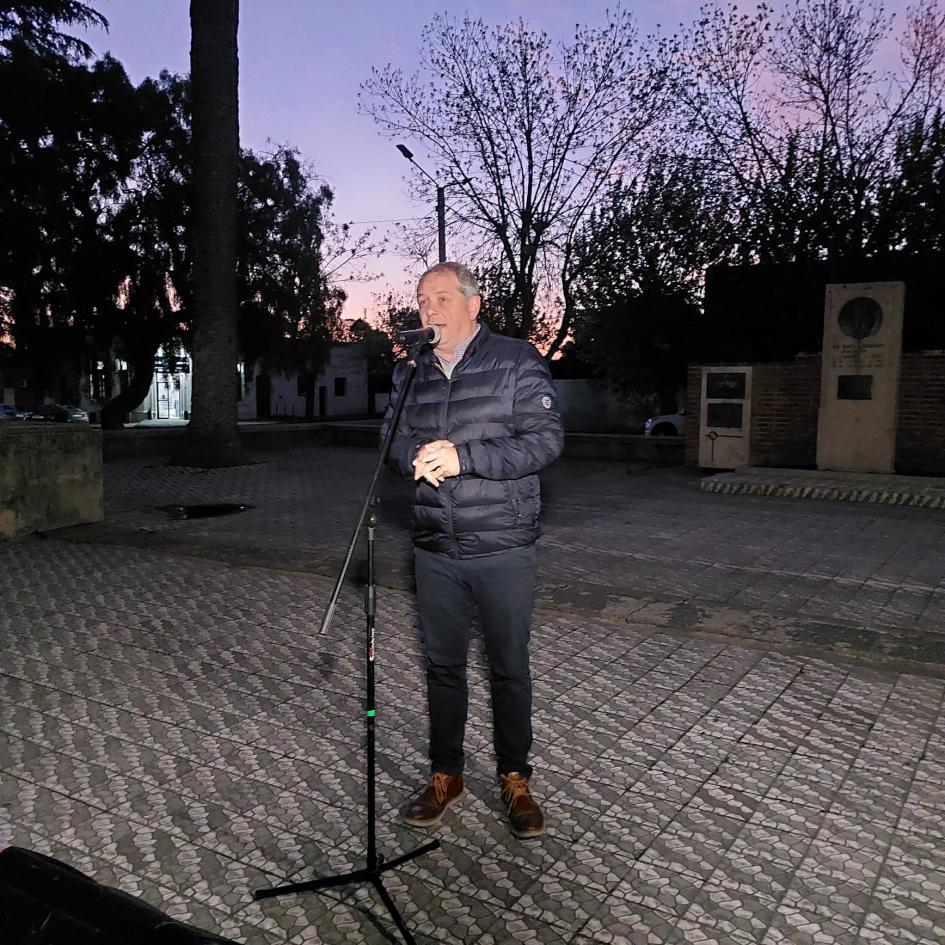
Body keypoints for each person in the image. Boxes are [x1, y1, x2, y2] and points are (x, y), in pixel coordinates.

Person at [381, 261, 564, 839]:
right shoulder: (411, 370)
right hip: (434, 543)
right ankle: (446, 774)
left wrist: (466, 457)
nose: (428, 310)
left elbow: (546, 440)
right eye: (421, 299)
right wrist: (411, 455)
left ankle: (515, 777)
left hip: (503, 544)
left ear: (472, 304)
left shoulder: (516, 361)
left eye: (440, 298)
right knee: (443, 668)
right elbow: (389, 436)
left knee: (509, 667)